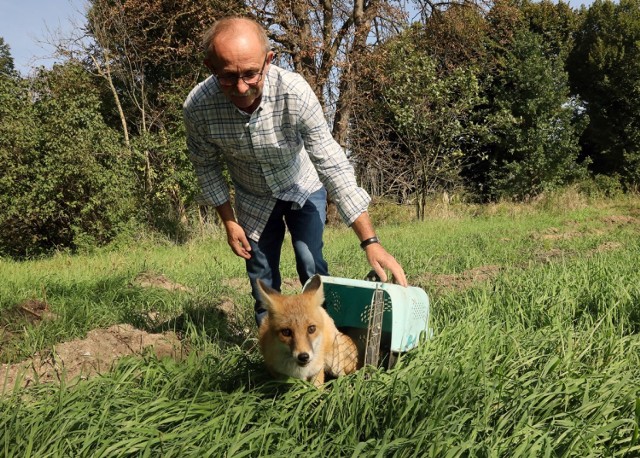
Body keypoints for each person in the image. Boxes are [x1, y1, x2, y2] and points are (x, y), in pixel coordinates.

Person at [184, 16, 407, 326]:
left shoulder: (294, 92)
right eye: (227, 76)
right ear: (210, 66)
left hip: (302, 184)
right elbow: (205, 166)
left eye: (251, 74)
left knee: (310, 261)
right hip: (253, 197)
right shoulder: (198, 107)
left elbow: (331, 162)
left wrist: (370, 242)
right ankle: (272, 350)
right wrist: (229, 221)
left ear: (268, 60)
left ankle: (323, 333)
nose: (241, 87)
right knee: (261, 275)